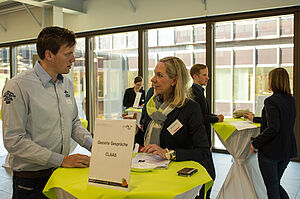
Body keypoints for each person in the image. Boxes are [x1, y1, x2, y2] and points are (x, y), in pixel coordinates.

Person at [1, 26, 92, 199]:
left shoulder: (66, 84)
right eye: (68, 54)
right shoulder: (18, 86)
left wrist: (93, 145)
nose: (73, 59)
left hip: (60, 173)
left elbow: (74, 124)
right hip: (31, 181)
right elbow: (14, 140)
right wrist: (61, 160)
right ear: (49, 55)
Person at [135, 56, 215, 199]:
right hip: (149, 178)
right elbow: (144, 141)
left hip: (176, 184)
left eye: (159, 75)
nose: (153, 79)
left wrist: (169, 153)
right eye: (154, 74)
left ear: (174, 80)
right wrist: (132, 130)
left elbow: (203, 153)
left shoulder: (190, 109)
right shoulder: (152, 106)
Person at [244, 68, 297, 199]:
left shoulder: (271, 101)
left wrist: (255, 143)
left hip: (271, 152)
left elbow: (273, 128)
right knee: (275, 184)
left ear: (273, 81)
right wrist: (254, 119)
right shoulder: (291, 100)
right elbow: (279, 121)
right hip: (287, 149)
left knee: (272, 188)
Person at [189, 64, 224, 148]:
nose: (207, 78)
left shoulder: (199, 91)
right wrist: (216, 119)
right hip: (199, 139)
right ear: (195, 76)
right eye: (204, 75)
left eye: (207, 75)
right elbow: (199, 118)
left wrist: (215, 116)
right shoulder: (193, 94)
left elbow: (203, 112)